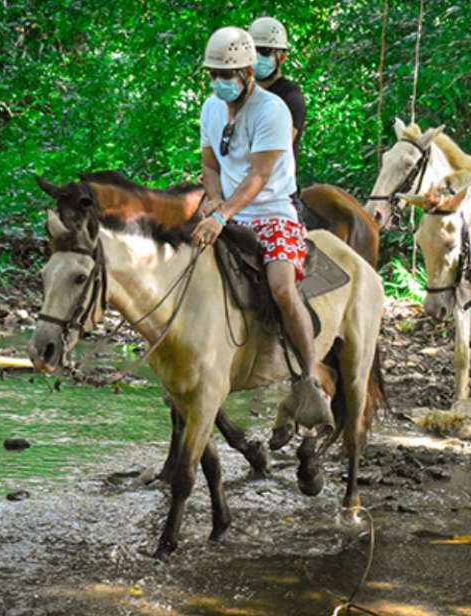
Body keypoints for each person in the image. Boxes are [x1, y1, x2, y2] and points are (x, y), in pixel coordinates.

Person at [191, 26, 333, 441]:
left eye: (228, 74)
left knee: (283, 287)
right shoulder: (210, 108)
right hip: (231, 211)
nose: (220, 82)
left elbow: (259, 175)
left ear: (248, 71)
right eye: (215, 74)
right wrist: (213, 201)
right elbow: (211, 165)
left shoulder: (273, 110)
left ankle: (307, 381)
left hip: (273, 211)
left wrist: (223, 215)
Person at [248, 17, 306, 165]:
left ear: (282, 57)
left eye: (265, 51)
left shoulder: (290, 96)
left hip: (275, 185)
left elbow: (274, 150)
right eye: (254, 51)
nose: (258, 57)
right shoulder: (242, 94)